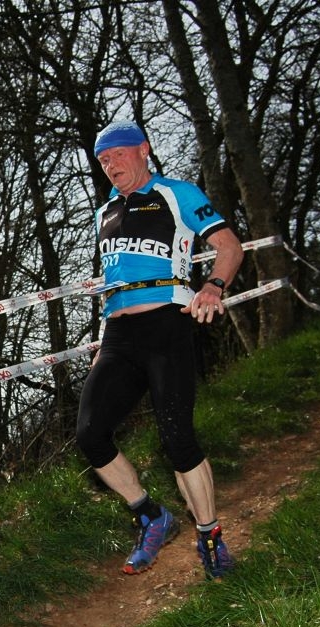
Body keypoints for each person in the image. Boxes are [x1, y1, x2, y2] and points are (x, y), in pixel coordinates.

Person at [75, 120, 243, 580]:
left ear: (143, 150)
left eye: (118, 155)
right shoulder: (105, 212)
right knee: (90, 433)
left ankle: (210, 537)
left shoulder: (176, 193)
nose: (111, 165)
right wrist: (103, 340)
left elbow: (229, 246)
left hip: (167, 324)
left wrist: (213, 286)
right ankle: (151, 515)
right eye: (103, 160)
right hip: (119, 333)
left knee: (177, 438)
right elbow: (114, 279)